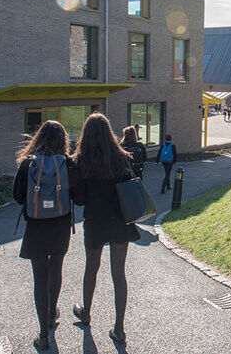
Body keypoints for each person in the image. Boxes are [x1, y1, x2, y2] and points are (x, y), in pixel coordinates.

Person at [71, 113, 139, 345]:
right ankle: (119, 328)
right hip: (120, 219)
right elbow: (131, 184)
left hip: (95, 221)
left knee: (91, 268)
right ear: (109, 132)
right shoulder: (120, 157)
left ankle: (86, 312)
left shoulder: (81, 160)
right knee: (118, 274)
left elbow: (79, 199)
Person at [13, 120, 75, 350]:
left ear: (38, 138)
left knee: (39, 277)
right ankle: (52, 314)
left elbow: (18, 197)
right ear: (63, 140)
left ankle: (43, 335)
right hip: (60, 225)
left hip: (36, 226)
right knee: (56, 268)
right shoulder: (67, 163)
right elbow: (76, 196)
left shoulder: (28, 164)